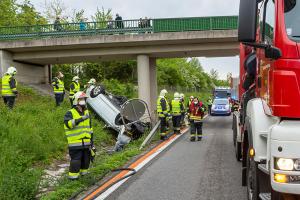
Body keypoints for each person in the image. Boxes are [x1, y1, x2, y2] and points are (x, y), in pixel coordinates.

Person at [64, 91, 94, 180]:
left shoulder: (87, 113)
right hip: (75, 144)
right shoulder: (70, 113)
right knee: (76, 162)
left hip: (86, 143)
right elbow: (69, 124)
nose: (83, 101)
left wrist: (92, 143)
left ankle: (85, 177)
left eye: (84, 99)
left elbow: (90, 129)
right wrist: (81, 119)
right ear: (76, 101)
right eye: (81, 99)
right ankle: (73, 179)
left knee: (86, 161)